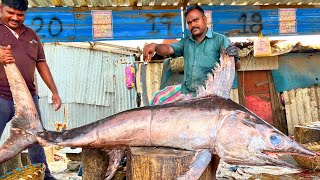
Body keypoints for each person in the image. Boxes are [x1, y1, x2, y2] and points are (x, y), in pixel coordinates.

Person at [143, 5, 240, 179]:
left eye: (196, 20)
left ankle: (212, 174)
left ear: (205, 20)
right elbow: (169, 50)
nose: (193, 25)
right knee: (159, 100)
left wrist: (234, 56)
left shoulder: (220, 40)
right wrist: (155, 46)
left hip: (212, 99)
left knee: (213, 138)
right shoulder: (186, 42)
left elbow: (235, 66)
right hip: (188, 94)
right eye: (189, 22)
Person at [0, 0, 61, 179]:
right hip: (1, 97)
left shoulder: (31, 35)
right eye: (10, 13)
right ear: (0, 8)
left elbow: (41, 63)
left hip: (29, 99)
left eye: (20, 15)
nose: (15, 18)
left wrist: (54, 91)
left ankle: (44, 175)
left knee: (35, 139)